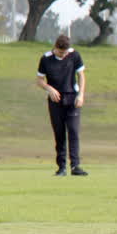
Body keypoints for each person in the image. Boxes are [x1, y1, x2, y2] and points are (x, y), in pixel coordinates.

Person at [36, 34, 88, 176]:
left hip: (72, 98)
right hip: (55, 101)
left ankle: (75, 166)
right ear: (55, 47)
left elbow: (81, 75)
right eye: (60, 52)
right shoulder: (46, 59)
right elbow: (39, 80)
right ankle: (62, 167)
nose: (63, 55)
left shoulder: (74, 55)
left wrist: (81, 94)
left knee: (73, 131)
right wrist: (49, 88)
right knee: (59, 134)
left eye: (65, 52)